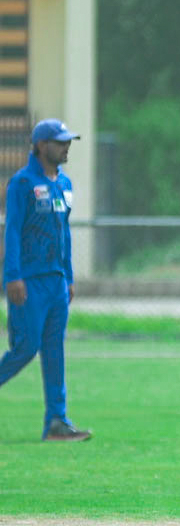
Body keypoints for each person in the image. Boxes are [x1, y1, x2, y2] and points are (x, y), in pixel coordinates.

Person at [0, 119, 92, 442]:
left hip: (56, 282)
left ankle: (57, 421)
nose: (66, 147)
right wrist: (12, 276)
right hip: (29, 281)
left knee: (54, 350)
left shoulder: (64, 183)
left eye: (68, 142)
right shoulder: (22, 183)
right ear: (41, 145)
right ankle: (55, 419)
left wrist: (68, 276)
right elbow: (12, 230)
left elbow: (63, 231)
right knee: (25, 348)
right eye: (60, 142)